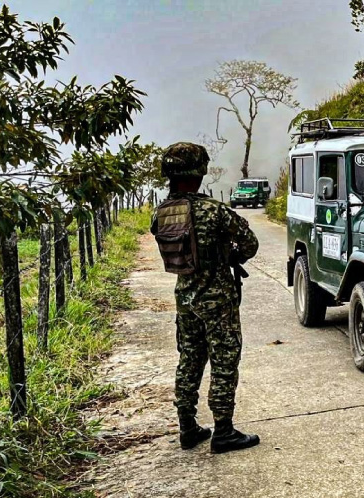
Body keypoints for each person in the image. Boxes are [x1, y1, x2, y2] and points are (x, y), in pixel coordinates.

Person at [150, 142, 260, 454]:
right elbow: (249, 244)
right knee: (224, 361)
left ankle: (188, 428)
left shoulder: (162, 214)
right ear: (199, 173)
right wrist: (229, 254)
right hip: (218, 300)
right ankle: (223, 431)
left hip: (184, 297)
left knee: (189, 360)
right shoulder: (215, 211)